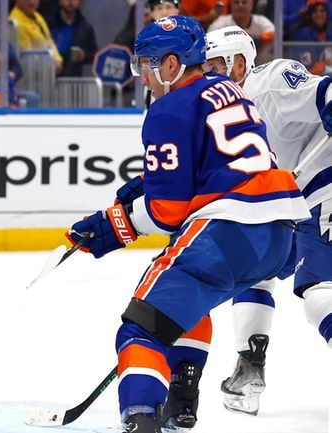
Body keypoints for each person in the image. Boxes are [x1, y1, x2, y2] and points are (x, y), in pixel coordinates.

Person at [68, 16, 309, 433]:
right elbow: (220, 161)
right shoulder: (231, 91)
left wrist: (114, 226)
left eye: (148, 63)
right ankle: (181, 399)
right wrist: (148, 183)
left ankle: (142, 422)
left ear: (174, 63)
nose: (142, 73)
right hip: (280, 233)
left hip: (227, 230)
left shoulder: (167, 107)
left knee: (141, 328)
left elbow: (167, 210)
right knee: (187, 304)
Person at [203, 25, 332, 416]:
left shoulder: (271, 80)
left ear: (239, 63)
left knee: (318, 292)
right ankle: (249, 372)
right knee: (255, 271)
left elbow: (323, 92)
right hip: (283, 204)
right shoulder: (217, 112)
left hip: (320, 191)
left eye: (213, 67)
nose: (205, 76)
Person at [208, 0, 274, 64]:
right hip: (229, 63)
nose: (240, 5)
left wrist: (255, 37)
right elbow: (209, 39)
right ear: (231, 5)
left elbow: (275, 34)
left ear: (251, 4)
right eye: (236, 2)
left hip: (259, 63)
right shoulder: (222, 22)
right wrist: (235, 38)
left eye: (244, 2)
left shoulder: (261, 21)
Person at [10, 0, 63, 74]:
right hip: (30, 76)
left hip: (47, 73)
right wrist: (51, 65)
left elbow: (48, 40)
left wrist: (57, 59)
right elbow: (27, 57)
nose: (32, 2)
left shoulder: (38, 16)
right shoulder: (15, 22)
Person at [45, 0, 97, 77]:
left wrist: (84, 56)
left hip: (72, 80)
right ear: (60, 1)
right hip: (48, 76)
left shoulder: (85, 28)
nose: (71, 2)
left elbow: (94, 54)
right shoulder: (47, 24)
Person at [292, 0, 332, 76]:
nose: (319, 14)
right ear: (310, 15)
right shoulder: (303, 34)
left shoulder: (329, 33)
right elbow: (304, 66)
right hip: (310, 78)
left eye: (322, 11)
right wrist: (323, 65)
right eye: (315, 12)